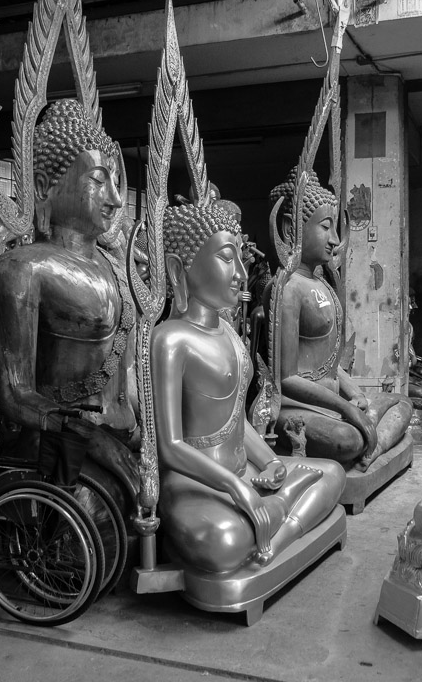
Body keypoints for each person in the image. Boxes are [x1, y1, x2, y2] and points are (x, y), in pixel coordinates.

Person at [151, 202, 345, 573]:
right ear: (179, 269)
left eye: (240, 258)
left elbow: (237, 420)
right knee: (223, 541)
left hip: (246, 472)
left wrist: (270, 461)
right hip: (196, 484)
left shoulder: (229, 333)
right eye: (228, 258)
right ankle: (276, 520)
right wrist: (235, 487)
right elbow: (170, 446)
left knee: (333, 473)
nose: (241, 273)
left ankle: (274, 536)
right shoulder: (170, 339)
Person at [0, 99, 139, 500]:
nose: (114, 198)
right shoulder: (24, 268)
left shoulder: (117, 267)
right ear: (45, 187)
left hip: (124, 439)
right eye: (98, 180)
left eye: (115, 181)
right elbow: (15, 394)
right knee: (99, 513)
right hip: (59, 449)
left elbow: (128, 375)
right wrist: (89, 436)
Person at [268, 167, 412, 470]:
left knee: (403, 402)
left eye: (335, 228)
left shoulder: (321, 284)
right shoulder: (287, 288)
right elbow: (286, 378)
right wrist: (347, 408)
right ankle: (369, 441)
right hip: (298, 407)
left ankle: (373, 443)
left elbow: (331, 366)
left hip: (333, 403)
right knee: (347, 440)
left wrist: (355, 395)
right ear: (291, 228)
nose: (334, 239)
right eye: (325, 227)